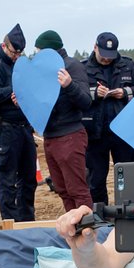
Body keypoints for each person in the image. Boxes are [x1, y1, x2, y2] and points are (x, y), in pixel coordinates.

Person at [82, 32, 134, 204]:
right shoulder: (82, 68)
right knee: (95, 180)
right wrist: (94, 93)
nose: (107, 60)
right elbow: (74, 93)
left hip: (124, 133)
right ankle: (100, 218)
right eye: (103, 55)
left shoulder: (128, 65)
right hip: (95, 134)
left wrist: (126, 92)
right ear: (95, 47)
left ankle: (128, 214)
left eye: (110, 56)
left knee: (128, 177)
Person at [0, 23, 37, 223]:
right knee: (7, 181)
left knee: (29, 179)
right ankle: (10, 225)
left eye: (20, 53)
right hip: (5, 129)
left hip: (24, 128)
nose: (17, 56)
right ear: (4, 46)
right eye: (14, 52)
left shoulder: (21, 65)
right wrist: (12, 93)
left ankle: (27, 221)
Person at [34, 30, 93, 212]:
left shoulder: (72, 66)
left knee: (77, 190)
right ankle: (73, 229)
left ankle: (86, 232)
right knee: (63, 190)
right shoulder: (43, 71)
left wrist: (69, 85)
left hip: (70, 136)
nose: (35, 55)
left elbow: (86, 101)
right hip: (50, 137)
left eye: (38, 51)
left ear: (48, 50)